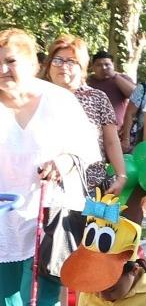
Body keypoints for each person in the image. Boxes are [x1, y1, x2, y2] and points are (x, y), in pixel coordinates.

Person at [1, 28, 100, 306]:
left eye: (11, 61)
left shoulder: (59, 101)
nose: (4, 70)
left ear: (29, 63)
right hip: (3, 216)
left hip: (52, 210)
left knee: (39, 298)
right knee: (5, 305)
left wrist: (62, 161)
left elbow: (87, 148)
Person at [40, 35, 127, 195]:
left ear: (83, 68)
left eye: (71, 62)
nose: (63, 66)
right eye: (58, 60)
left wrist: (121, 175)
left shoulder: (97, 97)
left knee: (100, 221)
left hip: (93, 187)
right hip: (46, 188)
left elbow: (111, 141)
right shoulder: (37, 97)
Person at [86, 50, 136, 129]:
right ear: (93, 67)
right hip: (92, 128)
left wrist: (114, 76)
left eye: (107, 64)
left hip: (117, 130)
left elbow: (136, 96)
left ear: (113, 65)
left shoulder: (123, 79)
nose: (103, 68)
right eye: (99, 65)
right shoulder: (87, 81)